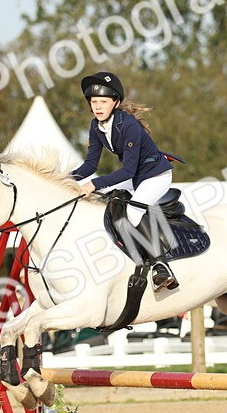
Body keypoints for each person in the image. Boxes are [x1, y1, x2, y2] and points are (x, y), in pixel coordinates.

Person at [71, 71, 183, 292]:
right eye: (94, 102)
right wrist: (64, 180)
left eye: (103, 101)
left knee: (132, 212)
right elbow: (90, 166)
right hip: (135, 178)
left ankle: (161, 266)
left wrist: (94, 184)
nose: (98, 106)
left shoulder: (129, 124)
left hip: (154, 175)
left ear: (116, 102)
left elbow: (128, 170)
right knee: (105, 203)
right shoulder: (96, 126)